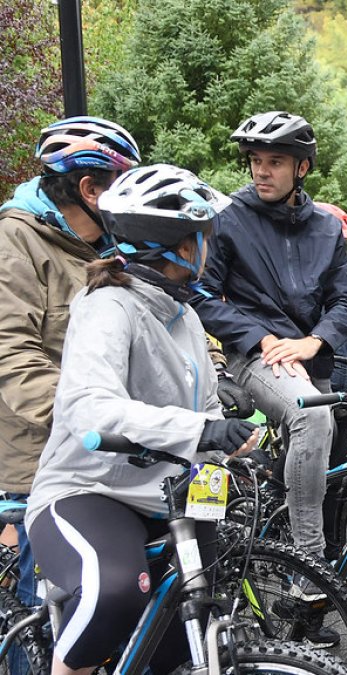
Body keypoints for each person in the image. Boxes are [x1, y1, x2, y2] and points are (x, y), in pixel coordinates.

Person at [26, 165, 260, 675]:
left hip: (168, 491)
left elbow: (205, 409)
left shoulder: (185, 315)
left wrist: (231, 446)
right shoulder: (107, 307)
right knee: (113, 594)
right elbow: (90, 405)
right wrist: (200, 431)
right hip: (90, 490)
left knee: (187, 632)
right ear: (180, 247)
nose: (211, 246)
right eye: (205, 235)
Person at [192, 111, 347, 563]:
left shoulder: (327, 227)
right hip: (255, 355)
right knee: (312, 417)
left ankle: (280, 528)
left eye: (275, 162)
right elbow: (201, 294)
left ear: (302, 168)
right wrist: (261, 338)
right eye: (256, 161)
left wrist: (314, 341)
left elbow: (344, 300)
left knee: (329, 446)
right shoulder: (228, 218)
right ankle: (309, 564)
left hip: (311, 356)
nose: (261, 171)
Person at [0, 116, 141, 614]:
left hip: (109, 450)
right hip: (39, 457)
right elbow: (12, 353)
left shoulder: (111, 245)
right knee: (50, 612)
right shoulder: (16, 242)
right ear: (89, 189)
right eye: (123, 183)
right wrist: (90, 413)